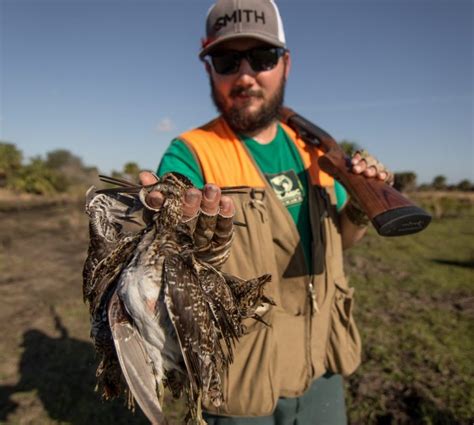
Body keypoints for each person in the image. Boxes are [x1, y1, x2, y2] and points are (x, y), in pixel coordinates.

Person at [139, 1, 392, 423]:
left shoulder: (318, 152)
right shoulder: (190, 153)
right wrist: (177, 230)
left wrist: (366, 208)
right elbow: (173, 242)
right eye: (226, 59)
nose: (245, 75)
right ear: (209, 70)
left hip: (322, 362)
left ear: (286, 64)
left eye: (262, 57)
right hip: (243, 376)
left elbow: (344, 241)